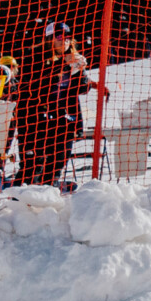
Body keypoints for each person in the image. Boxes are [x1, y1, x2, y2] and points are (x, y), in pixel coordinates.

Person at [8, 20, 91, 188]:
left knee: (57, 163)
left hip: (63, 118)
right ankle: (19, 203)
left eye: (68, 36)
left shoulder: (72, 58)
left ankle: (49, 194)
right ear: (48, 39)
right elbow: (35, 85)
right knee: (33, 165)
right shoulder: (34, 58)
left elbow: (82, 88)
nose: (64, 40)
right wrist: (63, 64)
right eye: (59, 36)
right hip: (35, 119)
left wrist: (80, 71)